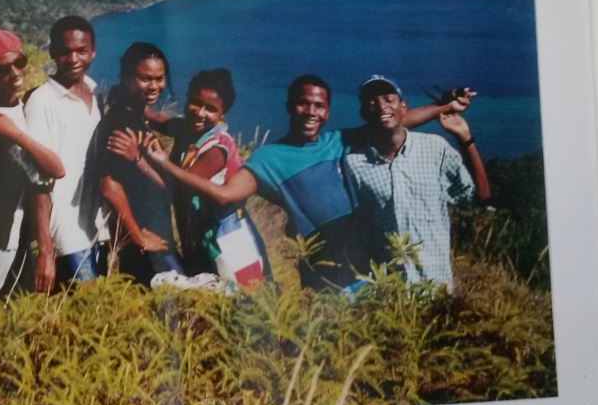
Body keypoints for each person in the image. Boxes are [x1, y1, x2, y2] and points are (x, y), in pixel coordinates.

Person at [136, 74, 474, 290]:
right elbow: (225, 194)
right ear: (289, 106)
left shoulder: (339, 141)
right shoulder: (268, 159)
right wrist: (163, 164)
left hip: (371, 265)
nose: (310, 112)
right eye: (302, 103)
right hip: (323, 273)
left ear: (327, 112)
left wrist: (444, 105)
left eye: (318, 106)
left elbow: (394, 121)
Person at [109, 68, 271, 287]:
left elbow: (175, 188)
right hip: (198, 235)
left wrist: (139, 158)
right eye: (196, 103)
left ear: (222, 114)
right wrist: (129, 96)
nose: (200, 113)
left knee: (233, 293)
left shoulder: (217, 148)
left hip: (225, 240)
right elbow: (156, 118)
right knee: (202, 291)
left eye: (211, 109)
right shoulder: (186, 128)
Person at [342, 75, 490, 287]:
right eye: (372, 102)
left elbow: (479, 195)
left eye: (389, 99)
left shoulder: (434, 149)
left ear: (404, 107)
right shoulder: (354, 164)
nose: (382, 106)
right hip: (389, 291)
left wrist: (465, 137)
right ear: (364, 113)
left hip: (436, 286)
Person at [0, 30, 65, 305]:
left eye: (20, 62)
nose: (16, 72)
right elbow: (56, 169)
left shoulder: (16, 107)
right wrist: (15, 133)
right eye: (4, 69)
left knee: (12, 298)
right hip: (1, 227)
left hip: (16, 228)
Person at [24, 16, 109, 293]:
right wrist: (46, 249)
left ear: (93, 51)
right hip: (65, 232)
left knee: (98, 307)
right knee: (84, 302)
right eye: (65, 51)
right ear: (52, 52)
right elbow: (37, 180)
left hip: (97, 226)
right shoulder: (42, 101)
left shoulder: (97, 95)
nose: (73, 59)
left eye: (81, 51)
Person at [96, 42, 182, 286]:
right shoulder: (121, 124)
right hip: (146, 239)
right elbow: (109, 186)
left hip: (156, 232)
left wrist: (142, 160)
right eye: (145, 79)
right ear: (128, 79)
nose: (154, 86)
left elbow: (155, 184)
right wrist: (138, 238)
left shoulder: (134, 114)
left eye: (159, 78)